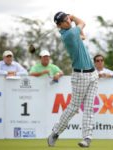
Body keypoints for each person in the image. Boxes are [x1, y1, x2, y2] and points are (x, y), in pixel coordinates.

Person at [47, 11, 98, 148]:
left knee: (88, 108)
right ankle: (56, 132)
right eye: (65, 21)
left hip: (93, 74)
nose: (68, 21)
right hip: (80, 76)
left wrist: (73, 23)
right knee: (74, 107)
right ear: (59, 25)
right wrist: (73, 16)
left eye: (67, 19)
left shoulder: (71, 32)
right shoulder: (69, 34)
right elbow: (83, 23)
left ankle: (86, 138)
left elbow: (82, 36)